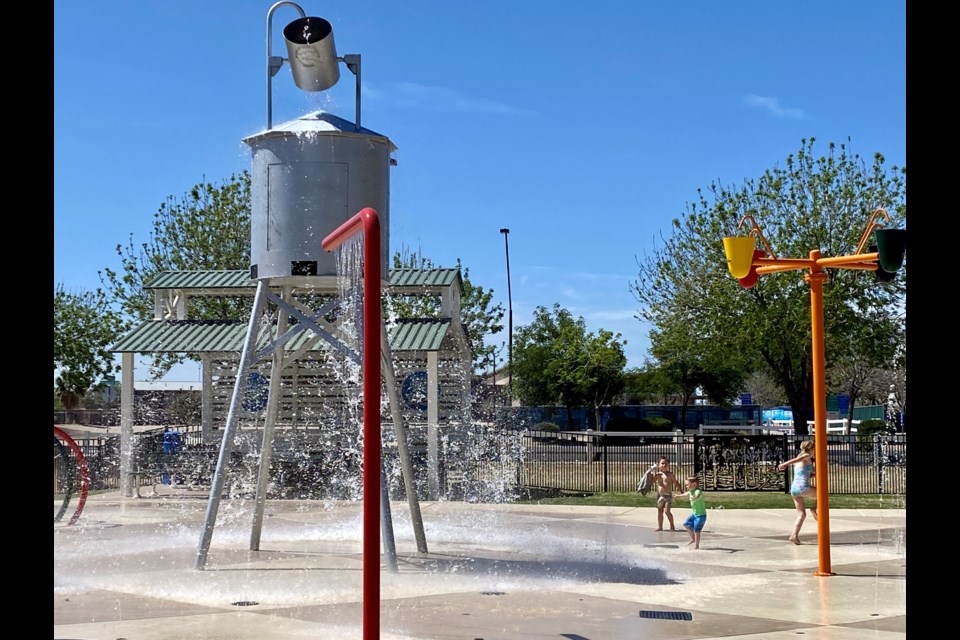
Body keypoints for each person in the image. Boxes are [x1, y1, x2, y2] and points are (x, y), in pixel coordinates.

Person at [778, 440, 818, 544]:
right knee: (822, 493)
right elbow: (796, 459)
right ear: (811, 448)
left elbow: (806, 474)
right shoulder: (806, 456)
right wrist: (784, 464)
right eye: (815, 449)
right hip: (802, 487)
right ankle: (814, 509)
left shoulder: (806, 459)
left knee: (801, 514)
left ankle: (794, 535)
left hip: (794, 489)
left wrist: (817, 474)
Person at [649, 456, 682, 531]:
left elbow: (676, 483)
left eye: (666, 463)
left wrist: (681, 491)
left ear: (668, 465)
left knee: (667, 511)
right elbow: (651, 482)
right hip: (660, 496)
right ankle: (660, 527)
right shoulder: (658, 475)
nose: (664, 465)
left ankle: (672, 526)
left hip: (668, 496)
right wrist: (652, 473)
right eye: (662, 463)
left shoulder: (670, 474)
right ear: (659, 464)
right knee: (660, 511)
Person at [675, 476, 706, 549]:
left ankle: (696, 545)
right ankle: (693, 539)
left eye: (687, 484)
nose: (686, 486)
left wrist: (695, 497)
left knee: (696, 530)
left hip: (701, 515)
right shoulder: (691, 492)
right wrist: (678, 496)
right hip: (694, 514)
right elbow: (685, 494)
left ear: (694, 484)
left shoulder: (697, 491)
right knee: (686, 524)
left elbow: (697, 495)